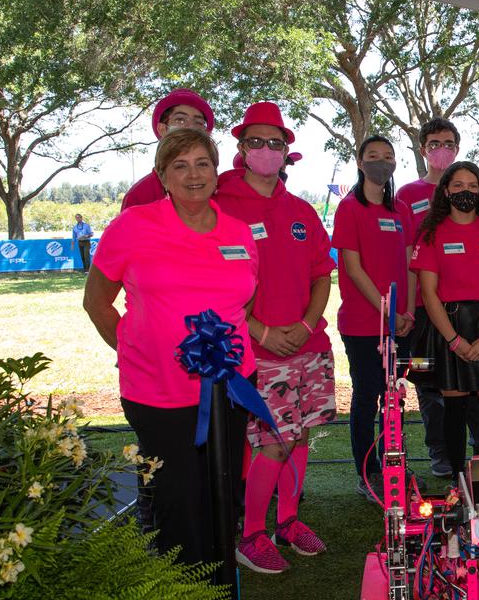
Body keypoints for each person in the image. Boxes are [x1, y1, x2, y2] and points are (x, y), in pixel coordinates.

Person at [83, 128, 257, 570]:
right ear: (162, 176)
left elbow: (244, 302)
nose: (193, 174)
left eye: (202, 164)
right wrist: (132, 349)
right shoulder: (132, 226)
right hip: (158, 392)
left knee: (224, 494)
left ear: (217, 173)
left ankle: (223, 597)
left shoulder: (240, 234)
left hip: (231, 390)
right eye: (179, 165)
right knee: (178, 500)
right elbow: (96, 302)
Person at [214, 102, 335, 575]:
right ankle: (251, 534)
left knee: (300, 436)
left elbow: (322, 274)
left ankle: (288, 521)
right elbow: (218, 281)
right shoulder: (223, 206)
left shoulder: (301, 210)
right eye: (257, 142)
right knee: (273, 444)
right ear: (241, 149)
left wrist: (306, 325)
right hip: (259, 351)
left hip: (310, 345)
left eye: (276, 143)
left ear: (288, 153)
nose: (267, 151)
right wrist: (260, 330)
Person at [395, 117, 479, 477]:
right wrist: (407, 308)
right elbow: (408, 257)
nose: (442, 150)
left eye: (449, 143)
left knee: (472, 379)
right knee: (425, 379)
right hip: (423, 313)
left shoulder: (466, 187)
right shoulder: (406, 195)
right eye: (435, 143)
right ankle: (439, 450)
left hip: (466, 312)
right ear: (423, 149)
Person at [409, 161, 479, 476]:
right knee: (454, 411)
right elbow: (429, 294)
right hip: (448, 328)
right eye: (458, 186)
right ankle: (458, 485)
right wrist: (454, 340)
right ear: (445, 191)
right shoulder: (431, 234)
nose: (465, 192)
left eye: (472, 186)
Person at [331, 134, 416, 499]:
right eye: (373, 155)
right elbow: (351, 266)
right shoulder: (349, 208)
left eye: (388, 156)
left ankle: (395, 462)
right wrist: (386, 308)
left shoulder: (401, 210)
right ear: (360, 162)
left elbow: (411, 262)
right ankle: (369, 473)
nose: (382, 161)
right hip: (364, 324)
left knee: (394, 396)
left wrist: (407, 310)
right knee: (367, 397)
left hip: (402, 321)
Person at [120, 88, 215, 211]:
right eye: (180, 120)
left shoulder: (216, 189)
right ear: (162, 129)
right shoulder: (139, 196)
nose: (190, 127)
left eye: (198, 123)